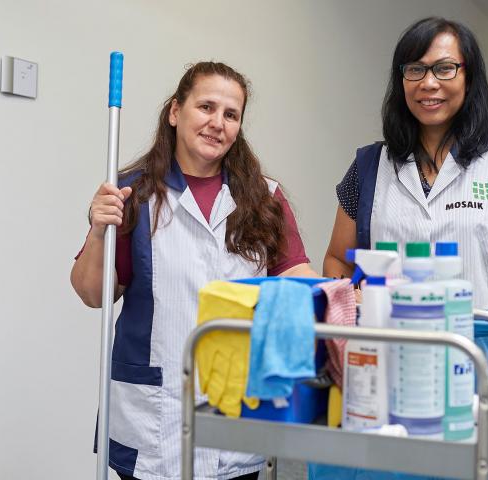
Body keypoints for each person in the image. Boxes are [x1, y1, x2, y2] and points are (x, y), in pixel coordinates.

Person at [71, 61, 317, 480]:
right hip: (155, 415)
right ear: (175, 112)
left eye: (230, 114)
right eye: (206, 107)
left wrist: (348, 297)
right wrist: (98, 231)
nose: (217, 123)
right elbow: (93, 293)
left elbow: (298, 277)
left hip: (236, 408)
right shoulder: (133, 193)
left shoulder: (265, 198)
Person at [323, 17, 488, 331]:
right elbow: (339, 259)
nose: (428, 83)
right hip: (387, 350)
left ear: (469, 77)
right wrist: (348, 298)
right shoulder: (368, 166)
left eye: (445, 68)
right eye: (415, 69)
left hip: (481, 350)